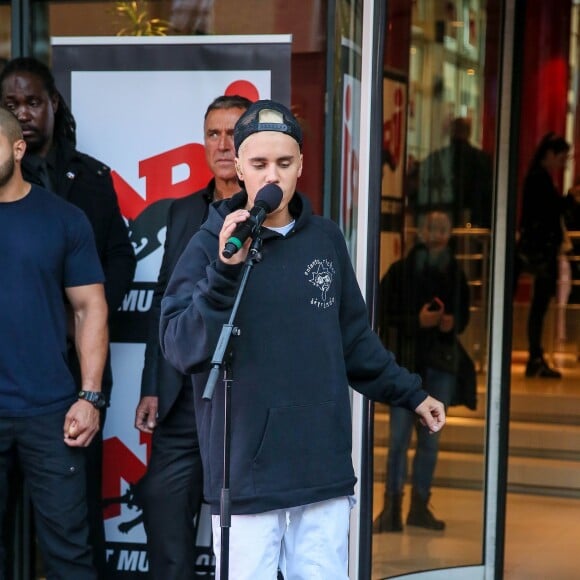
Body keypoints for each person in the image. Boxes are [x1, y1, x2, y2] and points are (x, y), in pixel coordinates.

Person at [159, 99, 446, 579]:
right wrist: (226, 272)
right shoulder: (212, 242)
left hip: (321, 469)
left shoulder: (326, 239)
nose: (273, 175)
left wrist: (411, 393)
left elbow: (353, 339)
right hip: (245, 475)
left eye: (284, 163)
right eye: (259, 164)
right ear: (241, 169)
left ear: (301, 166)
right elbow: (181, 346)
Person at [0, 57, 136, 577]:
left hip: (56, 401)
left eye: (32, 101)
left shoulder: (79, 194)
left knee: (70, 547)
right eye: (12, 105)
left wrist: (90, 393)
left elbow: (95, 298)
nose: (25, 112)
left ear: (52, 103)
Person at [134, 94, 252, 579]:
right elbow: (167, 302)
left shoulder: (273, 211)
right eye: (213, 134)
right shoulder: (183, 211)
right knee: (165, 525)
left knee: (249, 544)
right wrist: (151, 383)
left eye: (233, 133)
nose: (223, 145)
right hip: (182, 399)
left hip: (243, 400)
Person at [373, 211, 476, 533]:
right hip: (407, 367)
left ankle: (419, 505)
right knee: (398, 441)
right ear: (420, 232)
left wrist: (450, 323)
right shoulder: (402, 271)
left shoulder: (455, 273)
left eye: (443, 230)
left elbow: (463, 314)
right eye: (431, 229)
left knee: (430, 441)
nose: (437, 236)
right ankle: (392, 507)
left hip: (440, 365)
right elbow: (381, 315)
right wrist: (416, 321)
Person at [514, 133, 580, 378]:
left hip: (539, 251)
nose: (563, 163)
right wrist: (569, 200)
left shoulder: (537, 179)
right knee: (539, 307)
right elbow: (548, 213)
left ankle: (537, 355)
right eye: (562, 158)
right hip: (541, 253)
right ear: (550, 155)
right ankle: (535, 356)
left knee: (539, 307)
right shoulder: (539, 180)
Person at [416, 117, 493, 228]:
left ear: (452, 132)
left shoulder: (436, 159)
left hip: (441, 223)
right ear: (469, 133)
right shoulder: (482, 160)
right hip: (475, 223)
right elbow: (487, 196)